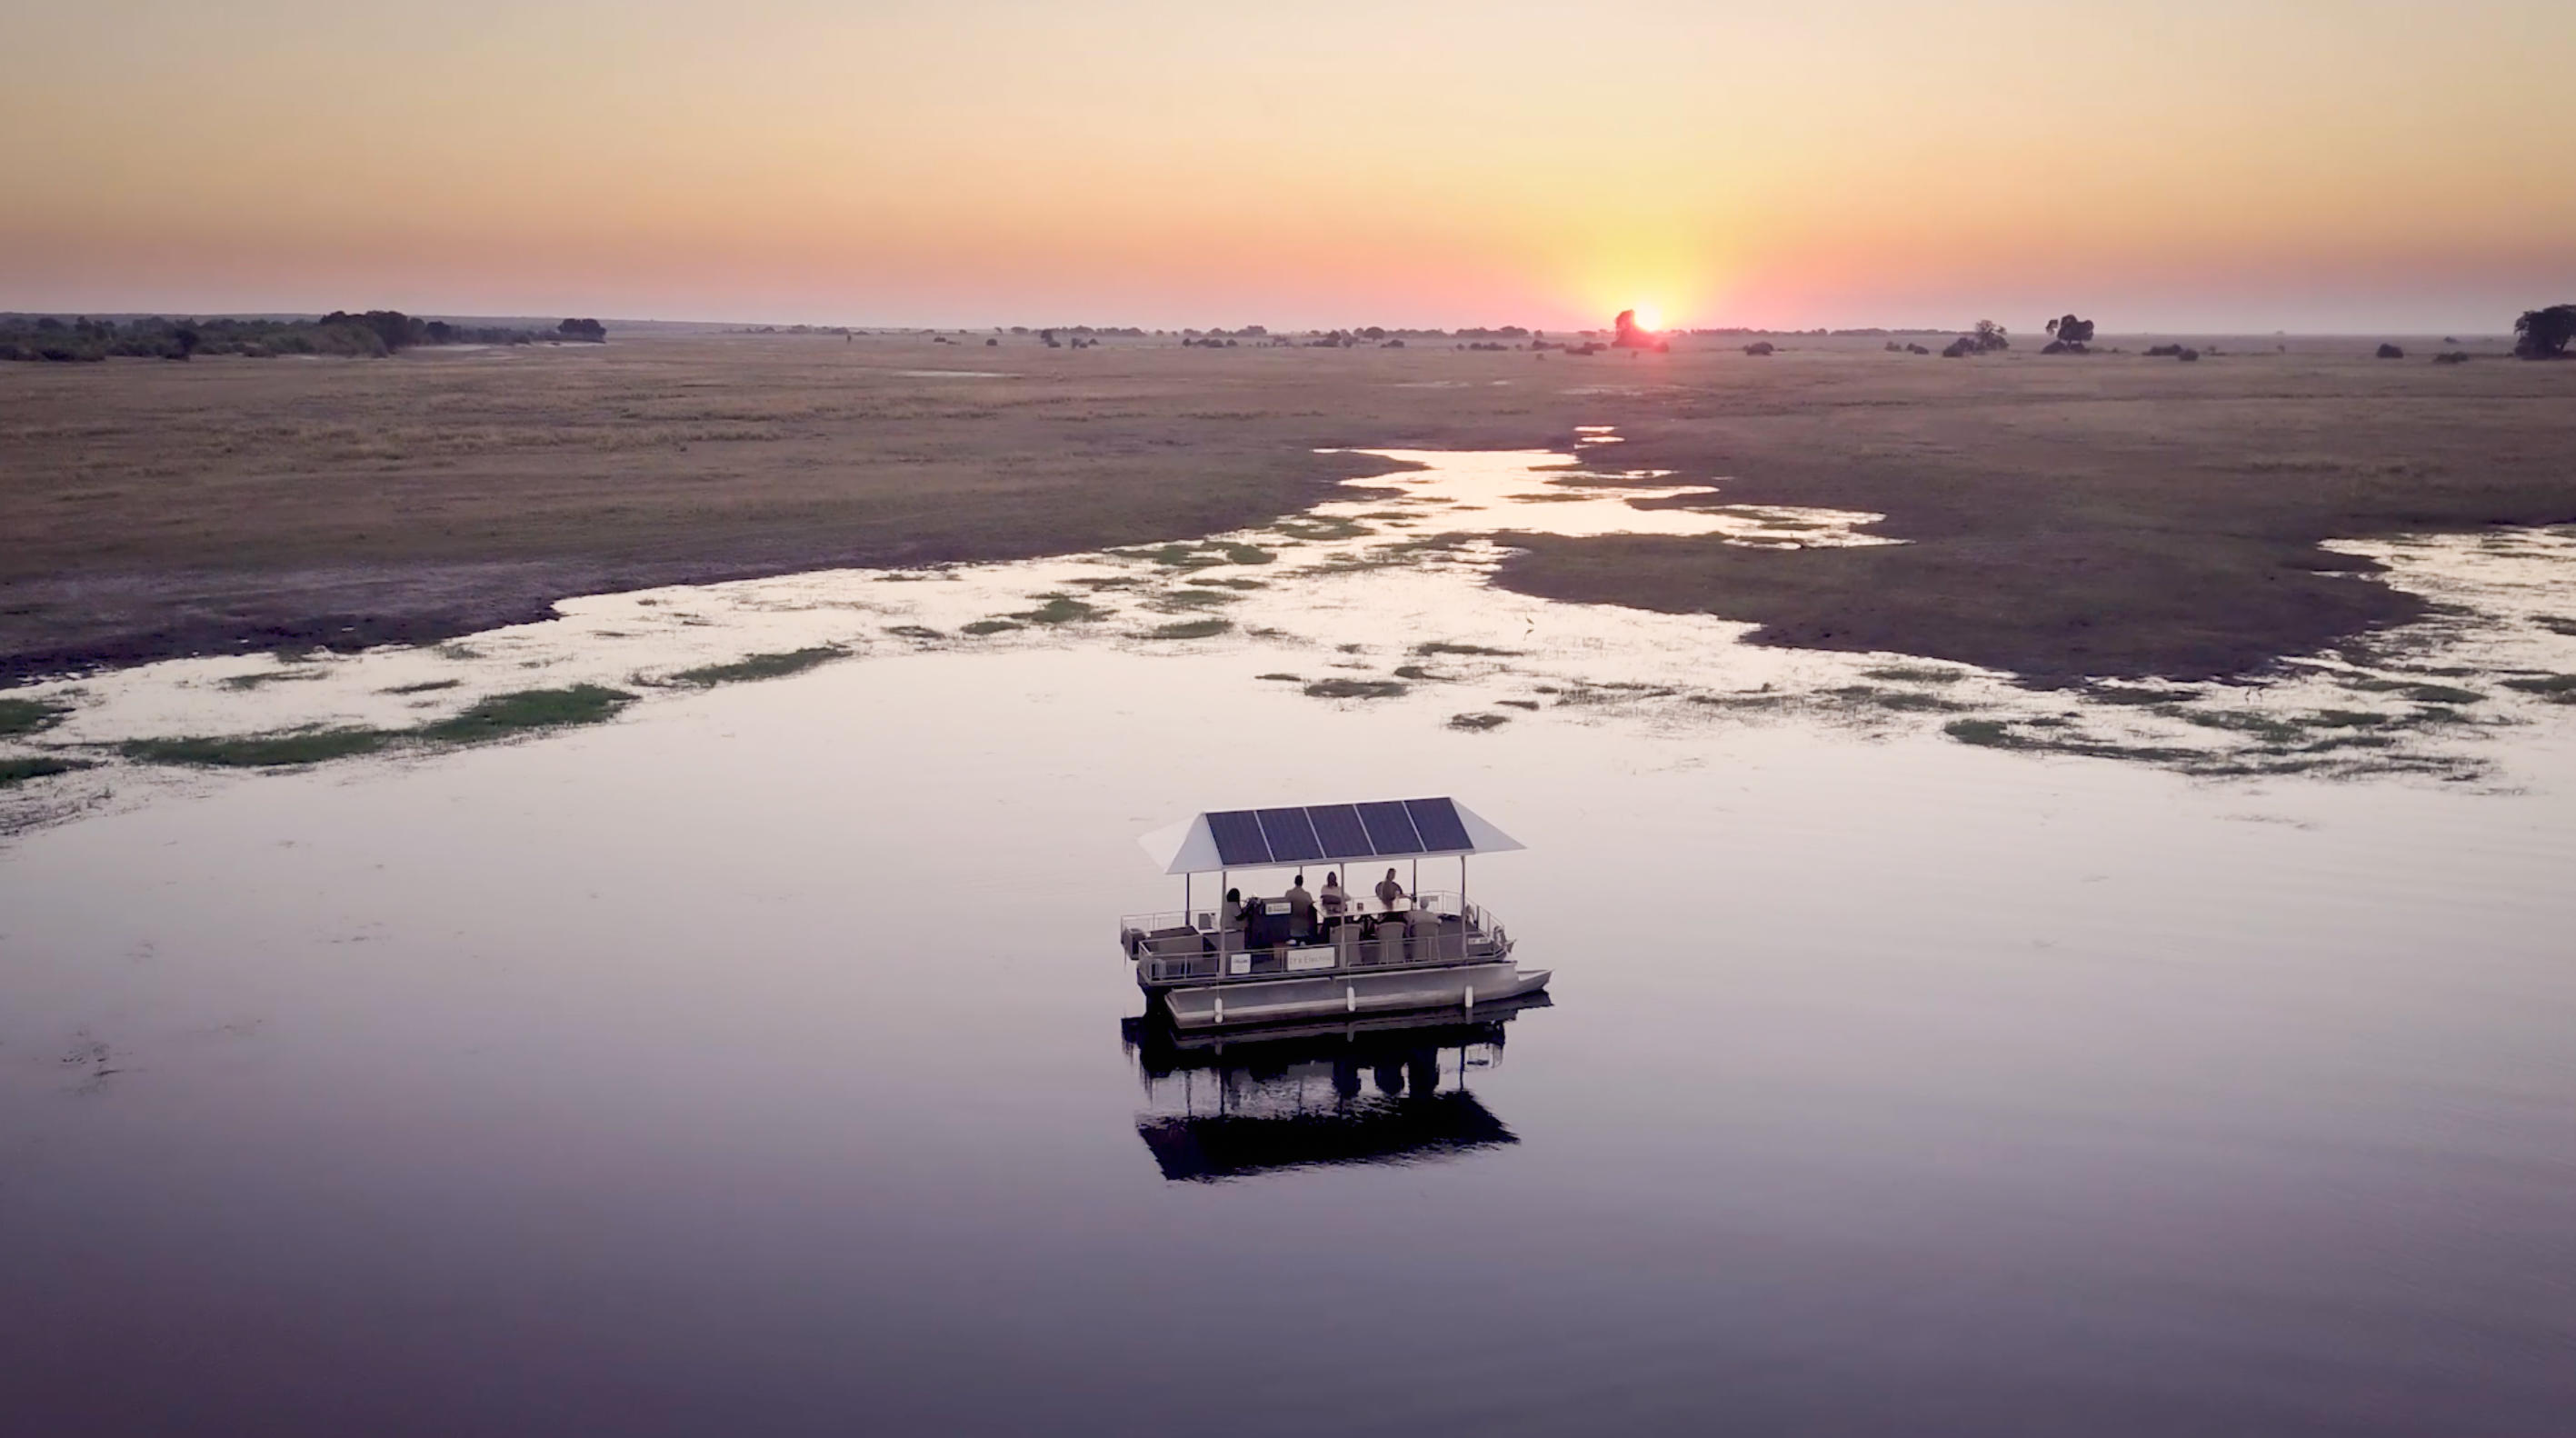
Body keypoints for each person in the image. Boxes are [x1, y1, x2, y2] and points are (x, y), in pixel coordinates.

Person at [1285, 873, 1316, 941]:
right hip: (1305, 926)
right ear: (1302, 882)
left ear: (1294, 882)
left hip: (1291, 925)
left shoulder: (1289, 894)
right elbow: (1312, 908)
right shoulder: (1307, 895)